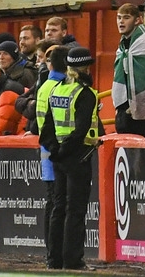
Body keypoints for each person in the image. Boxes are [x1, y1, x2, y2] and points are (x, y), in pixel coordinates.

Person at [39, 45, 101, 271]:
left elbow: (46, 127)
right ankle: (73, 260)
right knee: (75, 210)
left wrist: (54, 151)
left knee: (59, 208)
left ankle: (54, 260)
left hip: (58, 158)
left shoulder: (56, 90)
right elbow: (81, 129)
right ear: (85, 67)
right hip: (78, 156)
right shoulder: (85, 93)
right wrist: (65, 151)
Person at [112, 1, 145, 136]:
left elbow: (144, 75)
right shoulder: (123, 45)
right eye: (119, 17)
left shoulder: (142, 43)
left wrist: (132, 105)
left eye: (126, 18)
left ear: (137, 20)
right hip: (123, 106)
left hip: (140, 109)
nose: (121, 22)